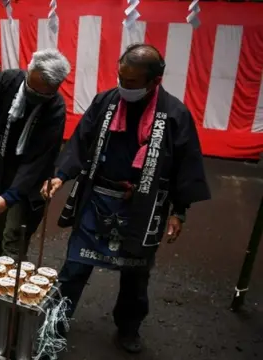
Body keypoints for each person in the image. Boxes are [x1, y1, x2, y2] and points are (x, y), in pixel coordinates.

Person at [42, 44, 211, 353]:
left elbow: (185, 166)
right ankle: (55, 322)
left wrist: (179, 211)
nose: (123, 85)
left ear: (154, 81)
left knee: (136, 275)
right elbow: (81, 140)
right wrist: (60, 175)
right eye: (120, 77)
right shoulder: (106, 101)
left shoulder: (174, 114)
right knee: (74, 267)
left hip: (142, 207)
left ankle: (128, 328)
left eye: (131, 81)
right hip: (98, 199)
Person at [0, 48, 71, 261]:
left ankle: (12, 285)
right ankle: (2, 273)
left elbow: (38, 160)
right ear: (28, 72)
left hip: (29, 179)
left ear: (56, 88)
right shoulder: (9, 79)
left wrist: (9, 197)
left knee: (14, 239)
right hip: (0, 166)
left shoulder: (55, 107)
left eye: (44, 94)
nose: (36, 97)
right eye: (32, 90)